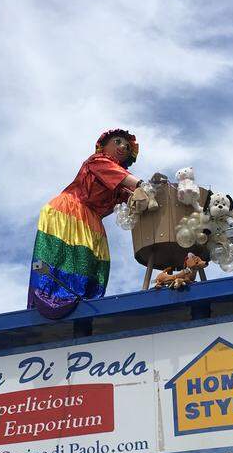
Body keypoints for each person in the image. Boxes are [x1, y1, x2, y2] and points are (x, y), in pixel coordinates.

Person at [27, 128, 150, 319]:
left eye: (126, 146)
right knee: (66, 257)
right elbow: (134, 184)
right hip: (69, 211)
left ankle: (80, 301)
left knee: (90, 265)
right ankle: (52, 298)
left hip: (92, 222)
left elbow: (131, 196)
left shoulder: (120, 183)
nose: (123, 147)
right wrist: (145, 187)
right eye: (117, 142)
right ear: (104, 145)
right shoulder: (98, 161)